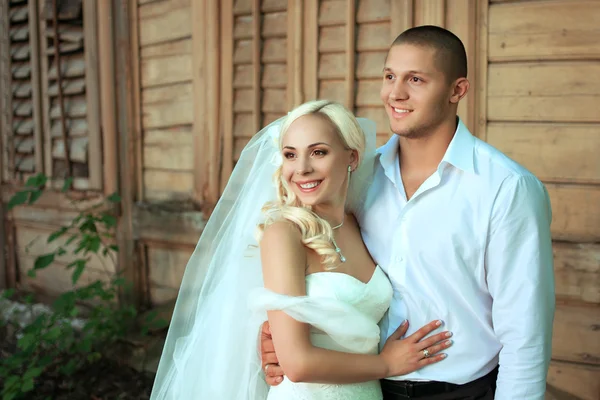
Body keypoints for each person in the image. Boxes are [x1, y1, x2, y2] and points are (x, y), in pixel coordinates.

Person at [261, 25, 555, 400]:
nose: (395, 94)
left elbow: (526, 332)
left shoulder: (505, 188)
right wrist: (279, 337)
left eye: (415, 79)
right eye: (389, 76)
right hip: (367, 387)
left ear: (457, 90)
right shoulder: (358, 179)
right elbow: (316, 277)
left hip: (462, 392)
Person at [149, 99, 453, 400]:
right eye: (290, 155)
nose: (302, 169)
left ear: (352, 158)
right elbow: (296, 363)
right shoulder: (284, 234)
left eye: (318, 152)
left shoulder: (359, 223)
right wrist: (386, 363)